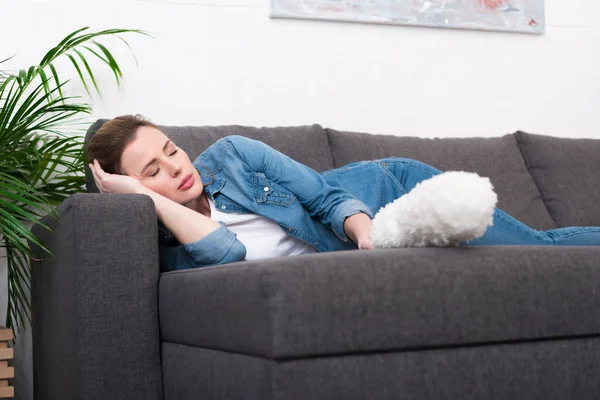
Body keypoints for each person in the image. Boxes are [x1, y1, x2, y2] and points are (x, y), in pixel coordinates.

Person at [86, 115, 600, 271]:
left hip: (390, 191)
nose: (177, 168)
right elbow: (228, 252)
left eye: (171, 149)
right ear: (131, 189)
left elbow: (328, 197)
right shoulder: (170, 245)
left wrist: (365, 235)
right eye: (151, 172)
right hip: (385, 237)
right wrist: (148, 201)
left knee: (538, 252)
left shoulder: (233, 156)